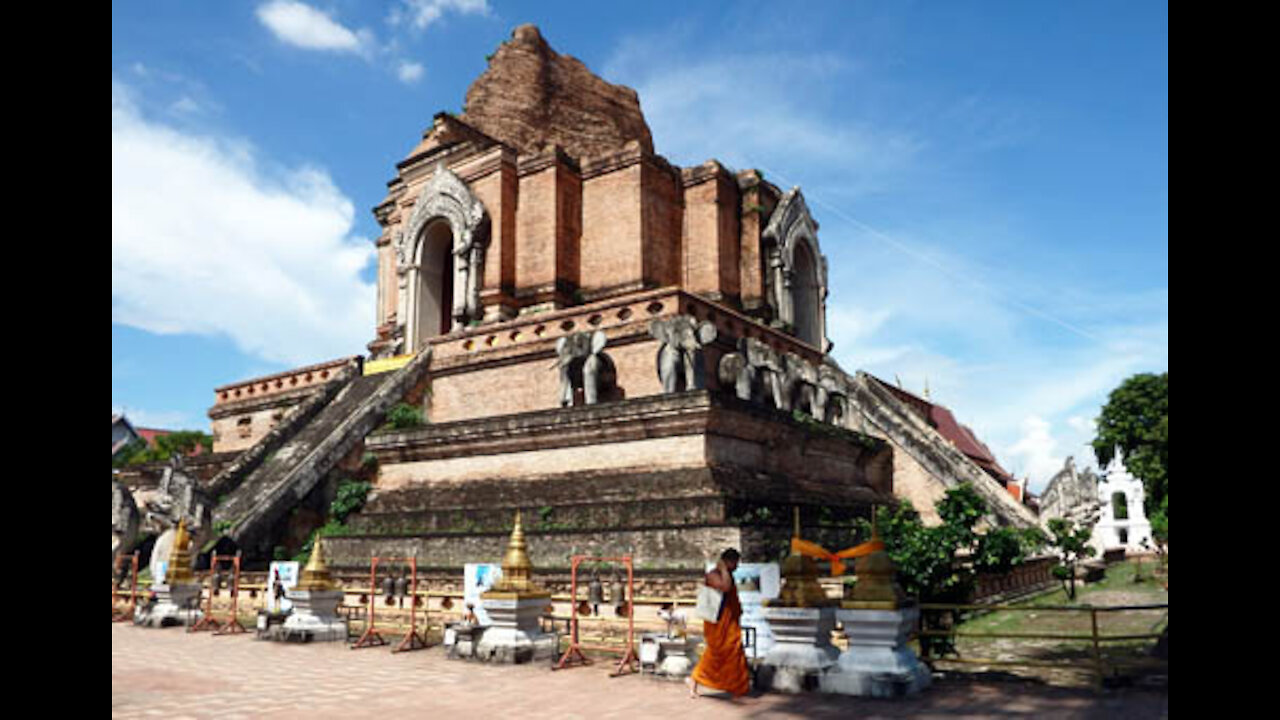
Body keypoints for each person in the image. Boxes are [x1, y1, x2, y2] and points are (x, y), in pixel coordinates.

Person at [688, 548, 751, 699]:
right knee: (715, 653)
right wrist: (723, 569)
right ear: (727, 562)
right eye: (735, 563)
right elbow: (725, 587)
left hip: (729, 623)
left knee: (735, 651)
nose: (737, 566)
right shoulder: (713, 575)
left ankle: (737, 687)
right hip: (717, 623)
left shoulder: (728, 575)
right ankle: (695, 679)